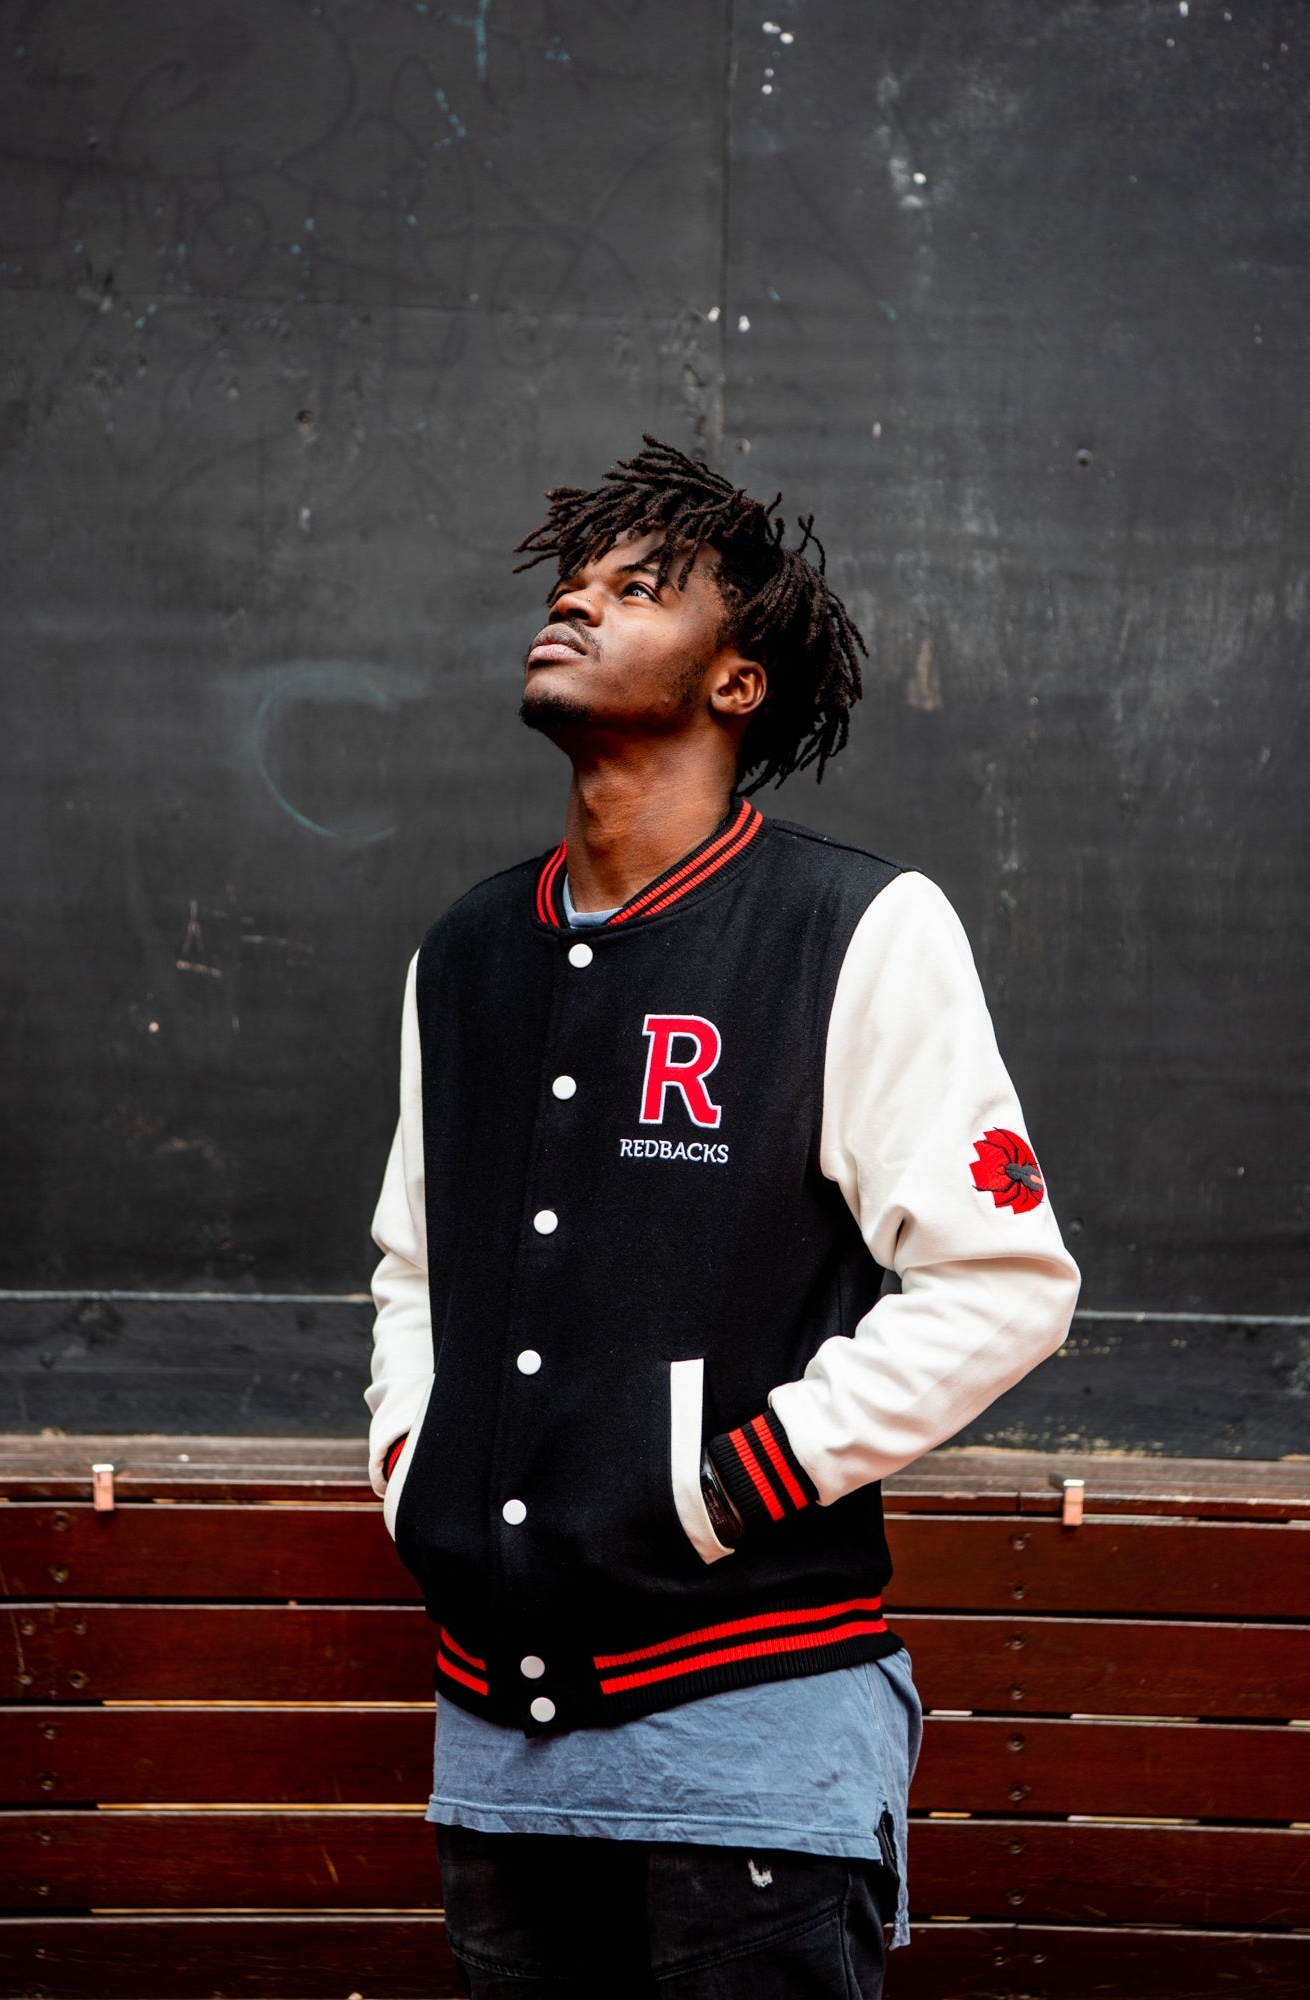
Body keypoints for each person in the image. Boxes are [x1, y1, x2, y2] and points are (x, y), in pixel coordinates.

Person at [364, 438, 1080, 1997]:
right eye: (572, 581)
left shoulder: (858, 929)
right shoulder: (469, 949)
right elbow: (412, 1263)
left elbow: (1005, 1281)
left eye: (635, 588)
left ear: (736, 683)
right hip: (497, 1747)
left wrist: (724, 1487)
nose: (575, 601)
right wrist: (417, 1469)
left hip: (752, 1746)